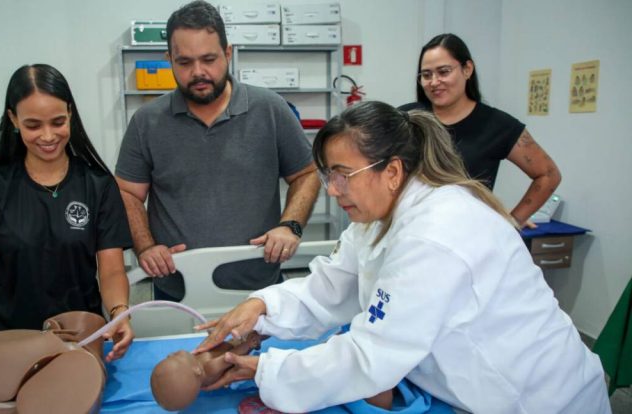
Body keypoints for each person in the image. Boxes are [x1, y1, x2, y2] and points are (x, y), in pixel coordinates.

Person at [193, 101, 610, 413]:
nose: (332, 190)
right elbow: (330, 287)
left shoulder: (436, 233)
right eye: (327, 175)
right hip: (471, 386)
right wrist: (262, 307)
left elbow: (372, 356)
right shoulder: (377, 216)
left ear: (392, 171)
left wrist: (266, 371)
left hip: (537, 398)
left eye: (342, 175)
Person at [0, 64, 134, 362]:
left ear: (70, 113)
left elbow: (112, 270)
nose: (48, 136)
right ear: (13, 119)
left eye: (58, 122)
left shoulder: (98, 185)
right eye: (33, 125)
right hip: (11, 343)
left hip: (80, 340)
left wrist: (120, 312)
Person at [115, 0, 320, 301]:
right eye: (184, 62)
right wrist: (145, 246)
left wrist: (290, 225)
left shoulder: (270, 109)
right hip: (178, 290)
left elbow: (307, 173)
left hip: (259, 288)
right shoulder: (147, 121)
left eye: (209, 59)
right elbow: (128, 193)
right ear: (169, 59)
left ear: (227, 53)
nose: (198, 72)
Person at [400, 33, 561, 228]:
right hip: (409, 230)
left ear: (467, 69)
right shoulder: (406, 118)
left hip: (469, 234)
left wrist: (513, 221)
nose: (434, 82)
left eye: (443, 72)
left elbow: (549, 174)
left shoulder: (497, 125)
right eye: (426, 75)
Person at [150, 331, 264, 410]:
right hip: (238, 349)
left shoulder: (195, 367)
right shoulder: (210, 367)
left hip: (231, 346)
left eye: (168, 357)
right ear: (196, 370)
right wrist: (248, 345)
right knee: (256, 334)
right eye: (175, 357)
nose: (170, 354)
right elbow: (231, 356)